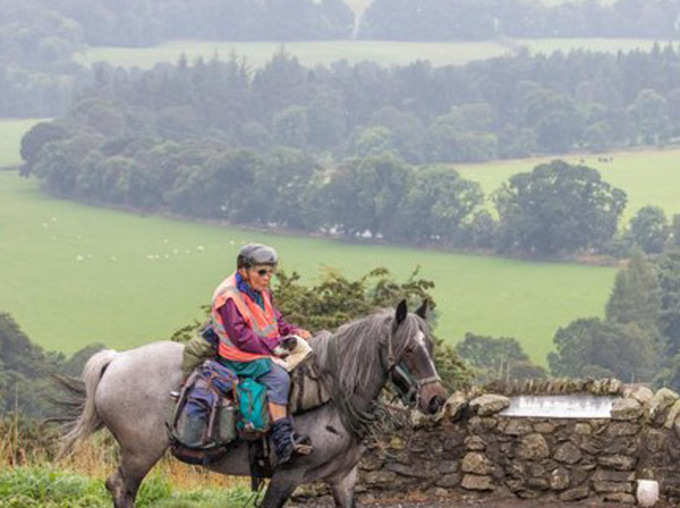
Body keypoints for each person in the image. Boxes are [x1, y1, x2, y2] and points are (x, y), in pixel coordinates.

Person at [209, 243, 312, 465]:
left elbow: (276, 321)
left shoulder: (261, 291)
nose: (267, 278)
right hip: (238, 357)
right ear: (243, 271)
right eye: (261, 272)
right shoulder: (229, 297)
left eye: (270, 272)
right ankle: (283, 442)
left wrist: (293, 332)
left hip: (260, 349)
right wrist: (276, 348)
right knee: (279, 378)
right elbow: (241, 338)